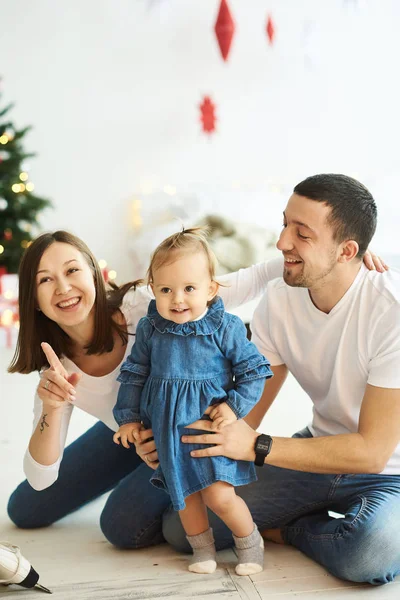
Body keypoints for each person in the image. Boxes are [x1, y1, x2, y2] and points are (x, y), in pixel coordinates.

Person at [6, 227, 384, 551]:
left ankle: (226, 510)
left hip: (182, 434)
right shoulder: (56, 365)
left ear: (94, 274)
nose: (64, 287)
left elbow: (245, 280)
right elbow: (41, 476)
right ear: (34, 299)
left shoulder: (148, 303)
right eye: (45, 279)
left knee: (121, 526)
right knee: (23, 509)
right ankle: (152, 475)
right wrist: (54, 410)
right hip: (127, 432)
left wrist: (338, 260)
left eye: (72, 270)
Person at [163, 173, 400, 587]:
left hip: (390, 474)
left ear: (347, 251)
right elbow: (247, 411)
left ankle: (290, 529)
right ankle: (302, 526)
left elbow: (371, 453)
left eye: (301, 234)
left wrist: (255, 446)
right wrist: (197, 440)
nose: (282, 242)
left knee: (368, 552)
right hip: (317, 450)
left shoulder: (389, 312)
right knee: (182, 528)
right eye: (284, 224)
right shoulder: (281, 295)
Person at [112, 227, 272, 575]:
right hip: (168, 432)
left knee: (219, 496)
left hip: (209, 431)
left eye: (189, 288)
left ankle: (250, 544)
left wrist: (232, 407)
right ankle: (203, 552)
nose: (177, 299)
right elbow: (134, 374)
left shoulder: (223, 326)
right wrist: (128, 418)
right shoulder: (151, 329)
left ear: (211, 289)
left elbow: (254, 370)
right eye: (166, 289)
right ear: (152, 289)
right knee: (184, 498)